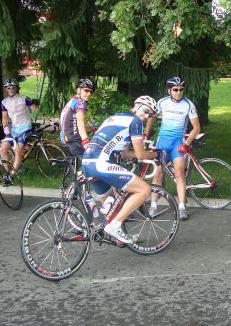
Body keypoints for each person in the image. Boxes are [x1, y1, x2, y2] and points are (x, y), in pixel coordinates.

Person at [81, 96, 160, 244]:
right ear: (136, 105)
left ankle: (119, 238)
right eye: (145, 110)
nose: (146, 116)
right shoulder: (135, 122)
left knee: (113, 205)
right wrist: (158, 154)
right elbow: (140, 154)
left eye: (150, 115)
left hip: (87, 163)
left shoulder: (115, 117)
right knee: (144, 189)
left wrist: (140, 155)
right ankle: (115, 226)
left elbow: (124, 154)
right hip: (100, 163)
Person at [144, 77, 201, 220]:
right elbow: (151, 117)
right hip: (162, 142)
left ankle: (182, 206)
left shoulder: (188, 105)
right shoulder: (162, 102)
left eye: (181, 89)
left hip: (178, 142)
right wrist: (146, 133)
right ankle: (153, 206)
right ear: (169, 90)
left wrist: (186, 144)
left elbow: (196, 128)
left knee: (179, 172)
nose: (178, 92)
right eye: (175, 89)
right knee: (158, 174)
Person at [59, 78, 94, 156]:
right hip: (74, 139)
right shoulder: (80, 102)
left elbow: (73, 123)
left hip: (68, 138)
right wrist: (85, 140)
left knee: (74, 164)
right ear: (78, 90)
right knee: (93, 158)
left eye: (91, 92)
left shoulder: (73, 101)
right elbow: (80, 121)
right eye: (86, 90)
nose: (89, 94)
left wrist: (91, 129)